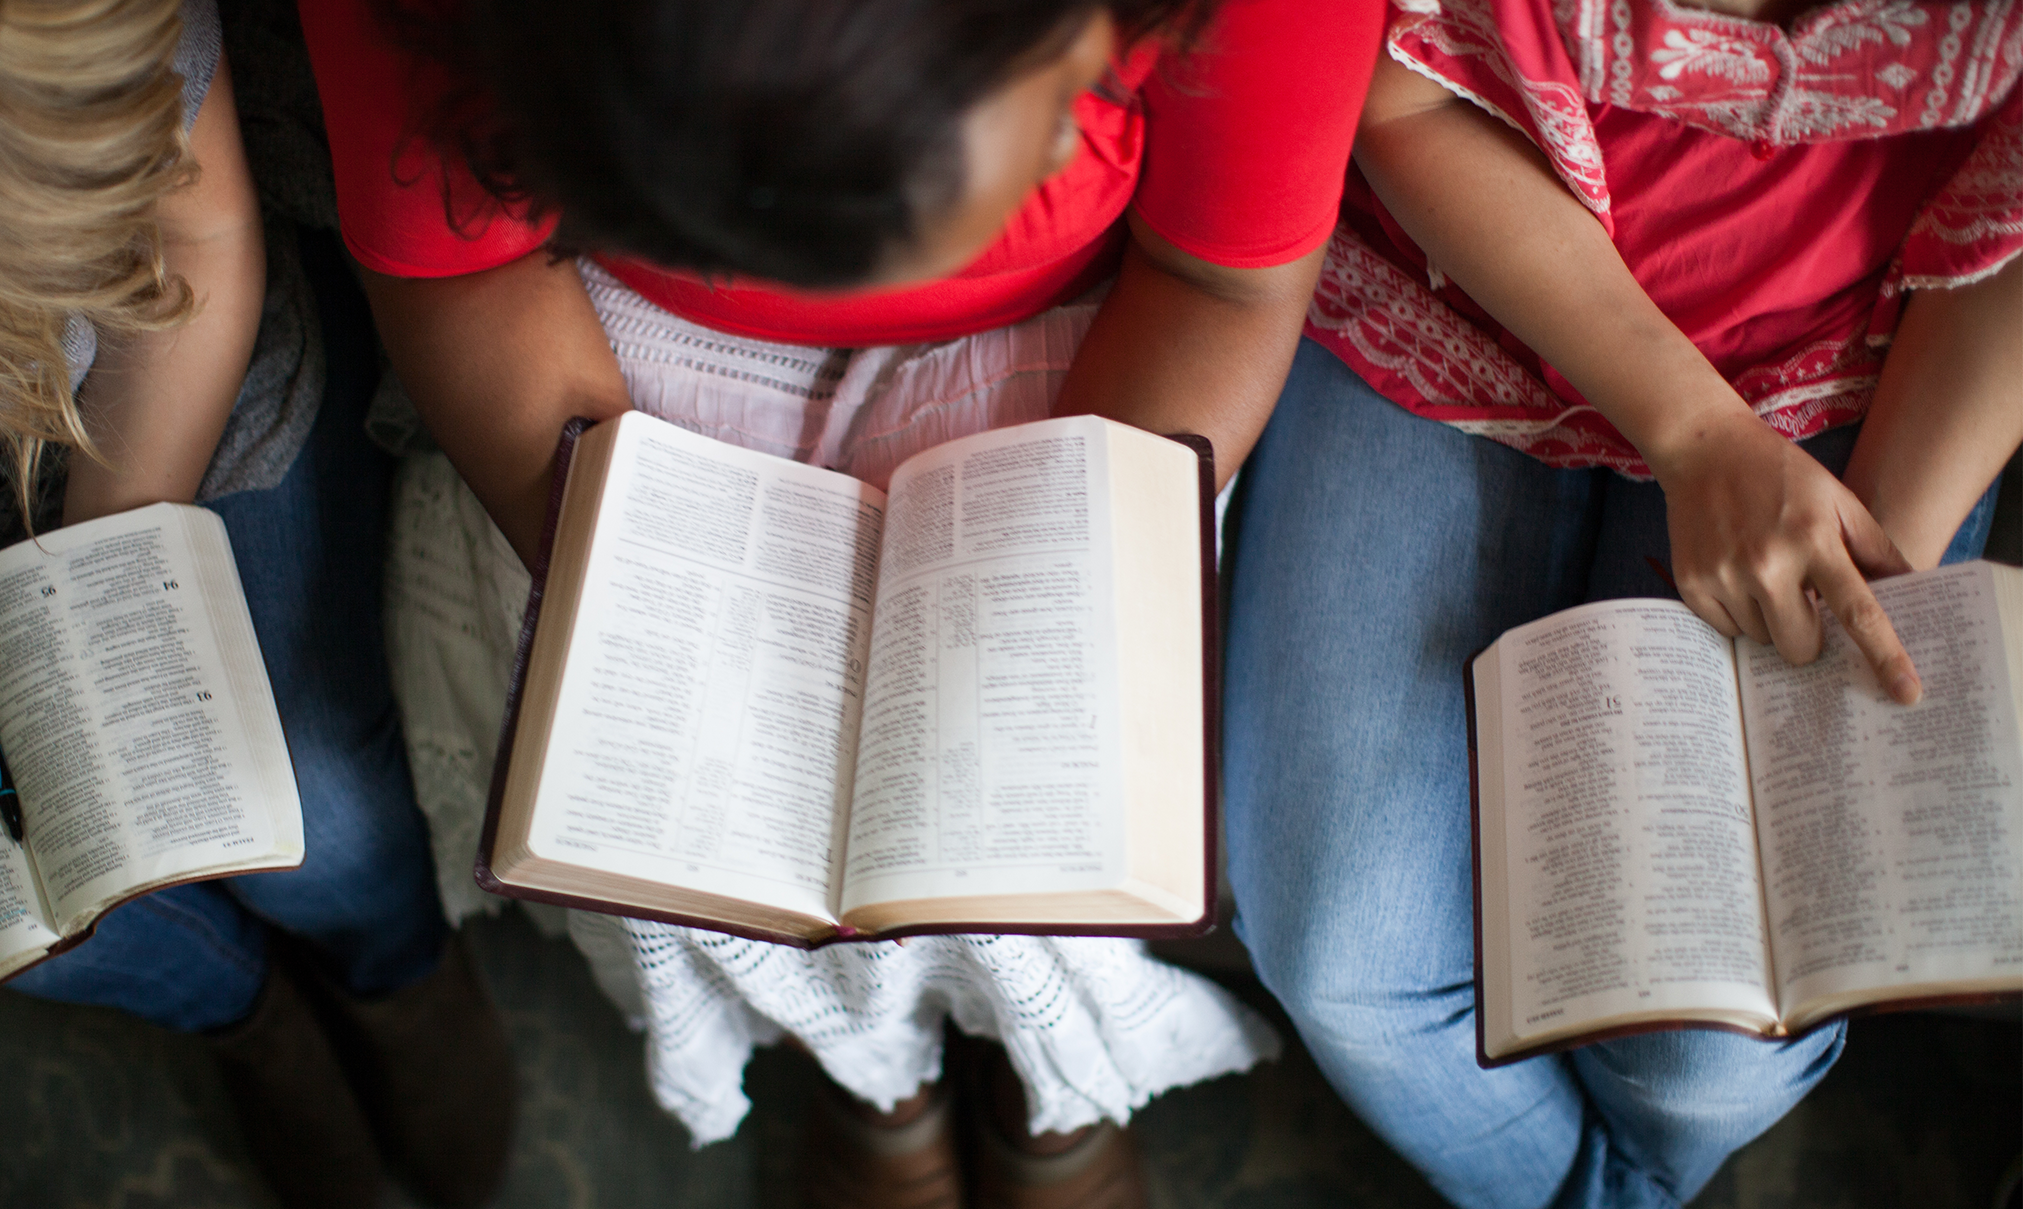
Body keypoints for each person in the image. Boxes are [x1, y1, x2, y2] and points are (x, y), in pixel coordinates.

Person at [294, 0, 1379, 1202]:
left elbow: (1220, 281)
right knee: (687, 814)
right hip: (604, 362)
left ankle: (1046, 1076)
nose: (1078, 136)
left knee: (1055, 799)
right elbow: (464, 269)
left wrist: (1049, 592)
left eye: (1085, 84)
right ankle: (875, 1077)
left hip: (1107, 355)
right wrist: (653, 585)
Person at [1222, 0, 2023, 1204]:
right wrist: (1688, 427)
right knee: (1347, 969)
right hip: (1450, 288)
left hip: (1860, 355)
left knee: (1708, 1058)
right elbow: (1400, 89)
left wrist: (1869, 550)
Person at [0, 1, 512, 1204]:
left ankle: (393, 970)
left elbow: (200, 233)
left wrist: (86, 601)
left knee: (319, 799)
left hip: (168, 408)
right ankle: (243, 1014)